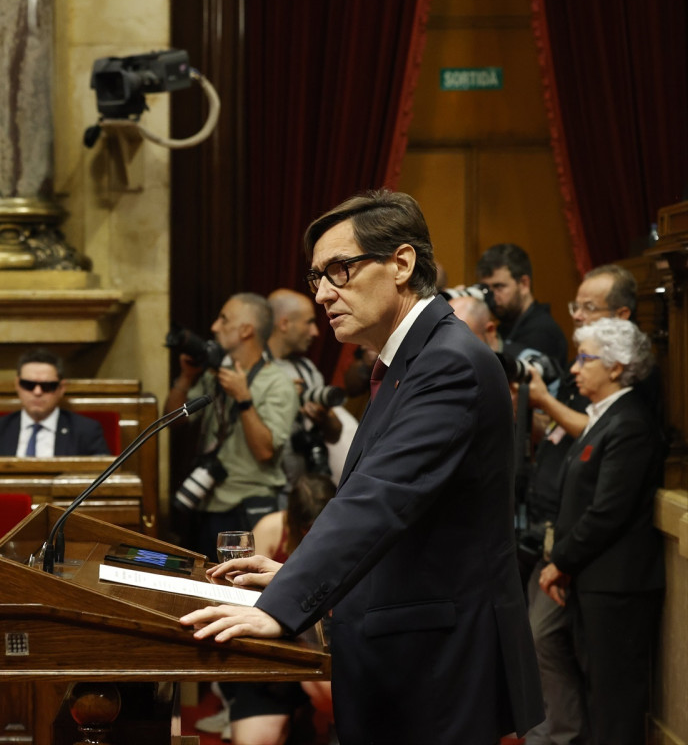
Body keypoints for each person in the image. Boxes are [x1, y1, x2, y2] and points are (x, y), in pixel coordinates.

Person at [181, 190, 543, 744]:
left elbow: (379, 498)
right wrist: (296, 579)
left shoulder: (447, 362)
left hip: (437, 664)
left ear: (401, 264)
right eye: (317, 277)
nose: (323, 292)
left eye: (340, 270)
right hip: (409, 649)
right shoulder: (412, 360)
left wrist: (283, 605)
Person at [519, 265, 654, 745]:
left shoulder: (629, 422)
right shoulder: (603, 418)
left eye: (585, 359)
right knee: (599, 695)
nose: (574, 369)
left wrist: (561, 562)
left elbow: (607, 511)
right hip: (592, 580)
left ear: (616, 367)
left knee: (616, 703)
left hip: (615, 587)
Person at [198, 473, 338, 745]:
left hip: (320, 646)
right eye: (306, 527)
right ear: (292, 519)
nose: (311, 533)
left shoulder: (345, 535)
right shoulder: (270, 528)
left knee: (326, 693)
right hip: (275, 649)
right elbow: (244, 592)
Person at [167, 293, 297, 558]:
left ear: (246, 330)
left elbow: (265, 451)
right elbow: (174, 421)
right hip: (206, 503)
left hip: (248, 508)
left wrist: (243, 398)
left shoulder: (278, 384)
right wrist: (186, 379)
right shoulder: (216, 377)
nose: (215, 327)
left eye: (224, 319)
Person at [267, 289, 356, 484]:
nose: (315, 332)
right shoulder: (253, 369)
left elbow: (334, 434)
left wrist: (324, 417)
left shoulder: (306, 368)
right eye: (309, 322)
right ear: (284, 324)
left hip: (300, 488)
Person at [0, 348, 111, 457]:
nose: (37, 392)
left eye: (47, 386)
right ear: (17, 385)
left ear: (61, 388)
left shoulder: (86, 431)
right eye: (28, 385)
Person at [477, 243, 568, 365]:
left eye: (499, 286)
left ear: (524, 284)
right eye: (486, 289)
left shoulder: (543, 332)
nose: (492, 296)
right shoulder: (504, 326)